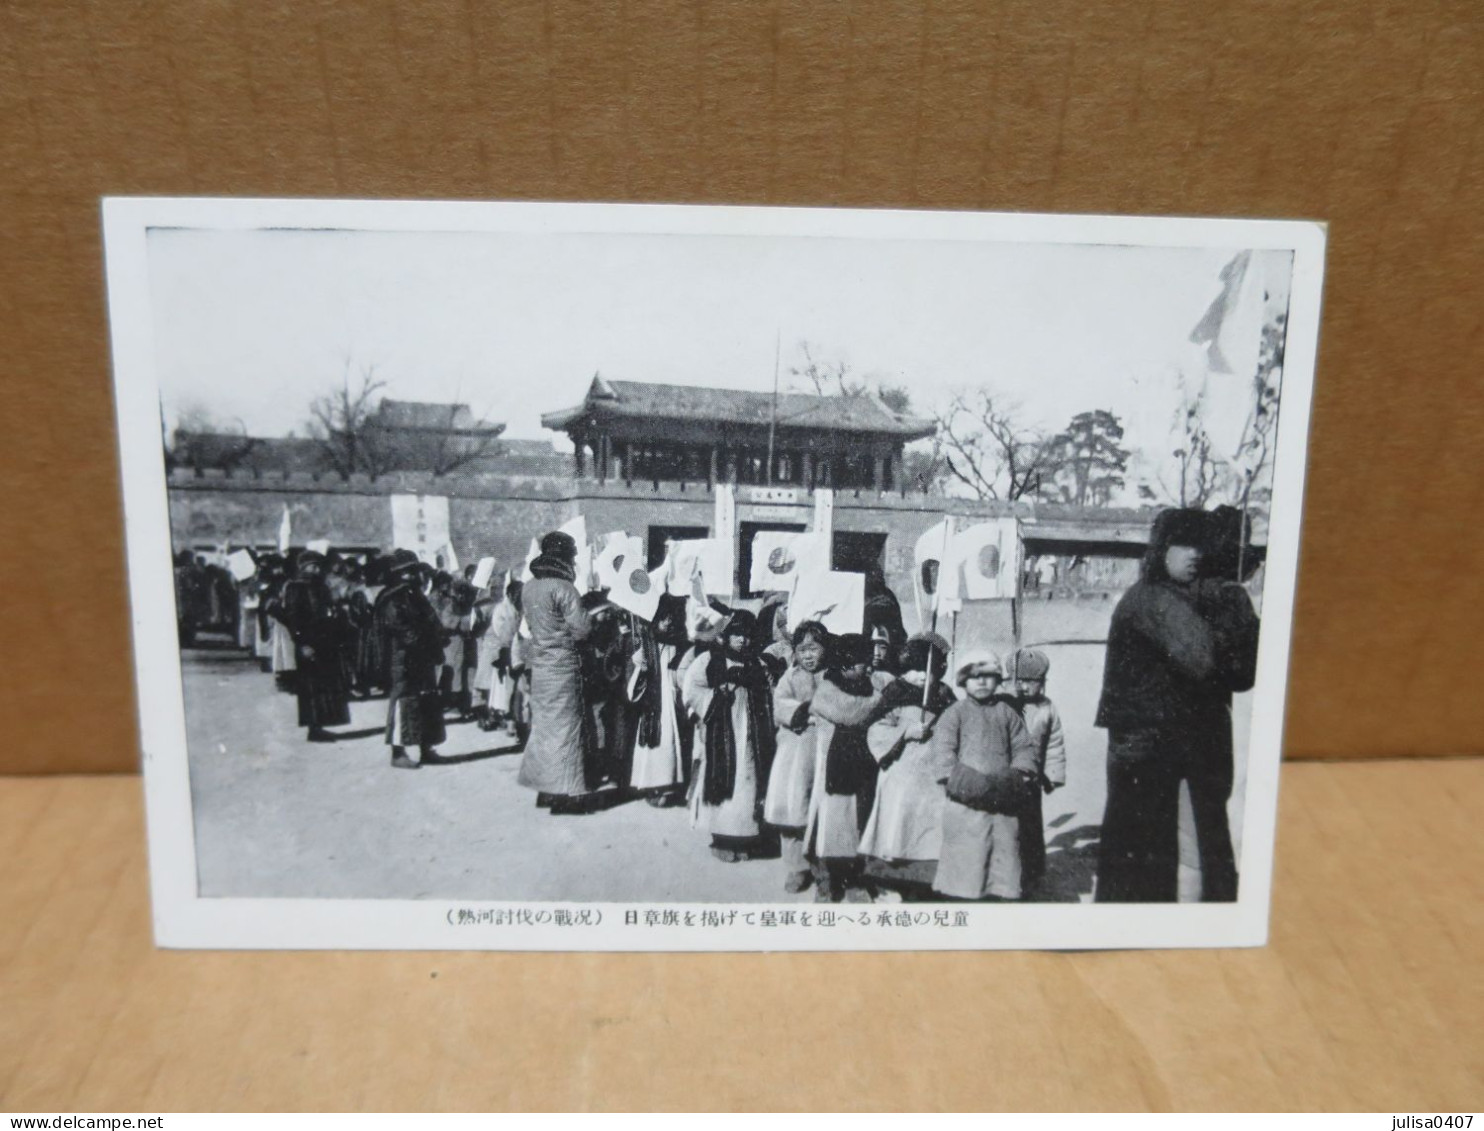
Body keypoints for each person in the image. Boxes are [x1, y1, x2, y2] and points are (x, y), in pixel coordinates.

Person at [1093, 507, 1260, 903]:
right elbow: (1201, 658)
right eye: (1183, 545)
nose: (1195, 554)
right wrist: (1231, 604)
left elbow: (1244, 674)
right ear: (1161, 550)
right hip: (1145, 747)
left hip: (1185, 745)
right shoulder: (1149, 599)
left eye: (1202, 546)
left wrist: (1232, 608)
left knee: (1190, 851)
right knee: (1143, 858)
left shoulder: (1198, 598)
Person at [931, 651, 1040, 901]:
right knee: (967, 857)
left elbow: (1023, 747)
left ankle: (997, 897)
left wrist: (1017, 776)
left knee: (1003, 851)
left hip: (1003, 799)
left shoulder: (1007, 713)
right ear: (963, 682)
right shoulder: (954, 714)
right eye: (974, 677)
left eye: (988, 676)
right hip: (965, 801)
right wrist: (969, 784)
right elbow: (943, 754)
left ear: (998, 679)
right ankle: (963, 901)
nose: (981, 682)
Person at [859, 634, 958, 900]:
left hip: (931, 777)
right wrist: (905, 731)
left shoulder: (944, 696)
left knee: (928, 830)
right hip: (900, 774)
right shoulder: (895, 693)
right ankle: (891, 881)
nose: (920, 677)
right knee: (896, 826)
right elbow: (875, 729)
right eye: (913, 670)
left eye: (927, 671)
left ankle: (926, 882)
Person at [682, 609, 776, 862]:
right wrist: (718, 693)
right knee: (724, 780)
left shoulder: (757, 663)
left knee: (747, 781)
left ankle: (744, 837)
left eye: (747, 635)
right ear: (727, 635)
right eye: (736, 634)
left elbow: (770, 693)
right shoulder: (710, 660)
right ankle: (722, 839)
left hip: (750, 732)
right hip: (721, 731)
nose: (742, 640)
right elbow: (691, 687)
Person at [517, 531, 599, 811]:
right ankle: (569, 795)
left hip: (540, 668)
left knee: (544, 730)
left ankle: (546, 791)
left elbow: (531, 626)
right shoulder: (564, 588)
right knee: (567, 729)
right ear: (564, 556)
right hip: (564, 667)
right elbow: (582, 629)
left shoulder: (528, 588)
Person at [804, 632, 883, 902]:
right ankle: (825, 881)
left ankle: (853, 880)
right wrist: (880, 701)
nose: (870, 668)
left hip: (861, 769)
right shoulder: (827, 690)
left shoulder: (869, 685)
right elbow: (851, 713)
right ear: (847, 663)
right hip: (832, 773)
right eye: (863, 662)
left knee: (856, 827)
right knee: (829, 829)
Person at [763, 620, 829, 893]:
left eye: (814, 648)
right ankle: (796, 867)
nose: (808, 655)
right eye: (802, 650)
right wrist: (805, 712)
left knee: (822, 812)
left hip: (824, 751)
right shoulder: (789, 678)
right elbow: (780, 705)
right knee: (793, 810)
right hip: (795, 753)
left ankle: (822, 865)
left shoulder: (831, 675)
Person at [378, 548, 447, 769]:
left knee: (427, 701)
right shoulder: (392, 599)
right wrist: (424, 641)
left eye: (412, 571)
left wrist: (439, 638)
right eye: (405, 572)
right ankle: (398, 752)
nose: (410, 576)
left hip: (422, 656)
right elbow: (401, 627)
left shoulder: (416, 596)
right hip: (404, 658)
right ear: (396, 574)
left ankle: (426, 747)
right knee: (404, 703)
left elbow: (432, 621)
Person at [1008, 647, 1067, 896]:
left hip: (1032, 782)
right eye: (1021, 681)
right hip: (1006, 779)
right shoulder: (1007, 705)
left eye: (1034, 682)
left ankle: (1031, 875)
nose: (1027, 687)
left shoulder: (1046, 708)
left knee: (1031, 828)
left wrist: (1052, 773)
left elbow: (1054, 743)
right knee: (1008, 829)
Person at [276, 550, 351, 743]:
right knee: (311, 687)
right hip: (308, 642)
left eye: (318, 566)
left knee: (324, 686)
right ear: (303, 567)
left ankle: (320, 725)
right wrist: (302, 643)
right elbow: (293, 619)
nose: (316, 570)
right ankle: (313, 728)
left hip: (324, 641)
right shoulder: (296, 587)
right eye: (312, 566)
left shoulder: (320, 586)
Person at [626, 595, 694, 806]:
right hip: (654, 705)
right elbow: (633, 690)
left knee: (673, 743)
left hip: (672, 700)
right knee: (657, 744)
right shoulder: (646, 646)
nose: (668, 622)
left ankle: (671, 784)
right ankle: (653, 784)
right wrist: (643, 669)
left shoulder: (680, 645)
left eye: (670, 618)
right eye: (663, 619)